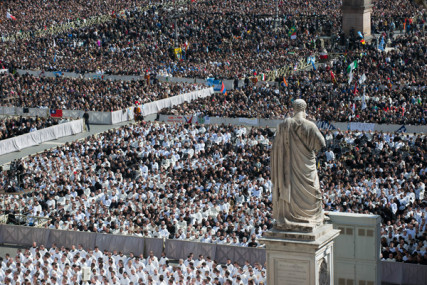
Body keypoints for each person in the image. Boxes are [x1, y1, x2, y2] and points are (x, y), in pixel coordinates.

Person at [271, 99, 326, 231]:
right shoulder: (310, 125)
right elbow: (321, 144)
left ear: (293, 109)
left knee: (291, 188)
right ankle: (310, 215)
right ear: (305, 109)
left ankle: (290, 216)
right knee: (314, 190)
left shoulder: (284, 125)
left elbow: (275, 150)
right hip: (306, 166)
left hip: (287, 169)